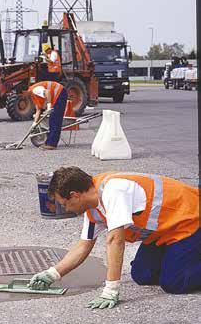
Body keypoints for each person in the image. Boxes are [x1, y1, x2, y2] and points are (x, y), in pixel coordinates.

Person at [28, 167, 201, 309]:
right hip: (164, 231)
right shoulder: (92, 208)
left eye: (65, 204)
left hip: (191, 221)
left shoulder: (114, 190)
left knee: (174, 282)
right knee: (142, 275)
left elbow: (115, 240)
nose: (66, 209)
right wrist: (51, 274)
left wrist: (111, 289)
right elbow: (83, 246)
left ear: (74, 195)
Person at [28, 81, 68, 150]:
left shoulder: (34, 90)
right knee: (52, 120)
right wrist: (34, 124)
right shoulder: (34, 96)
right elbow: (38, 110)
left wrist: (49, 107)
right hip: (59, 94)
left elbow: (47, 92)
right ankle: (49, 142)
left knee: (54, 120)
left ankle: (51, 144)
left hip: (59, 93)